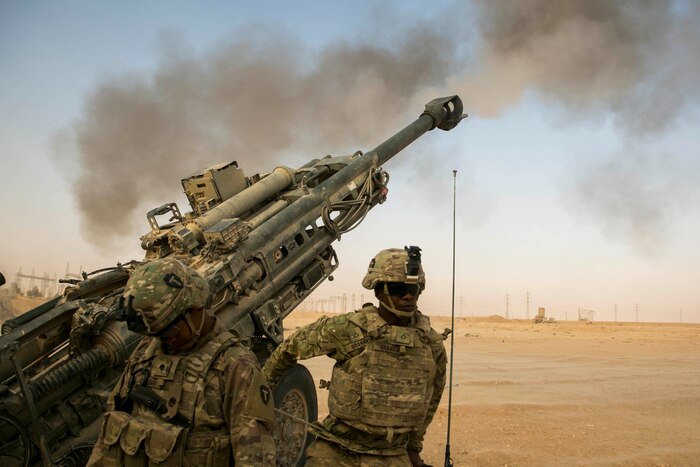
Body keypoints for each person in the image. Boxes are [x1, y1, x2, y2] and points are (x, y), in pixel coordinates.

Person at [262, 246, 447, 467]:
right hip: (337, 449)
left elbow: (431, 398)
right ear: (379, 291)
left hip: (390, 454)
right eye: (398, 289)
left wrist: (414, 449)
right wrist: (262, 398)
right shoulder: (348, 330)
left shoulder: (430, 345)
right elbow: (289, 349)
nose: (408, 296)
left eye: (414, 289)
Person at [87, 258, 275, 466]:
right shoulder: (145, 353)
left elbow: (255, 458)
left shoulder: (235, 366)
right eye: (159, 334)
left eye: (171, 331)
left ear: (196, 308)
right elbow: (109, 435)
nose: (166, 340)